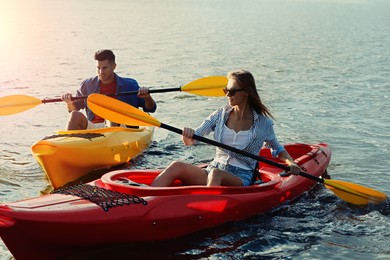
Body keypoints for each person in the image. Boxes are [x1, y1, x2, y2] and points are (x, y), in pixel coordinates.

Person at [151, 69, 301, 187]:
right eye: (226, 90)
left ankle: (205, 210)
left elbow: (277, 149)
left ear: (247, 93)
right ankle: (145, 200)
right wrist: (188, 135)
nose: (228, 94)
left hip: (241, 176)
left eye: (232, 91)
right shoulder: (220, 115)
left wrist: (291, 163)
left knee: (216, 174)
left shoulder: (263, 123)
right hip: (213, 169)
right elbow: (192, 140)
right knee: (177, 166)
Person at [62, 49, 157, 130]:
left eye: (104, 68)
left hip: (122, 129)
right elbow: (73, 109)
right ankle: (66, 145)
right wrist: (69, 103)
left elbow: (150, 108)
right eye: (98, 68)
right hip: (96, 129)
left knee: (111, 113)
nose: (100, 72)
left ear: (114, 66)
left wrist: (147, 97)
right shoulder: (87, 85)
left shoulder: (130, 85)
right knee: (74, 115)